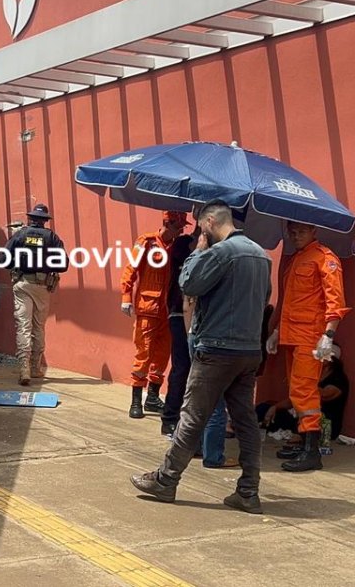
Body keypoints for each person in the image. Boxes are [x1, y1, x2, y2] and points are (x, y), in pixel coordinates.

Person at [131, 200, 272, 514]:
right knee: (246, 421)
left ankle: (166, 480)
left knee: (192, 415)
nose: (197, 232)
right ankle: (248, 491)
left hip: (217, 349)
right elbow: (264, 299)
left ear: (210, 221)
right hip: (248, 351)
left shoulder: (220, 252)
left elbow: (187, 283)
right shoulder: (261, 256)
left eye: (200, 226)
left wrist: (198, 250)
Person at [265, 221, 350, 472]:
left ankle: (312, 451)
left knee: (305, 392)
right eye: (292, 232)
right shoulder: (296, 260)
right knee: (295, 390)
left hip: (310, 337)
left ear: (315, 231)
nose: (296, 236)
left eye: (301, 231)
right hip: (292, 335)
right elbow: (291, 302)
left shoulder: (325, 258)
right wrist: (277, 331)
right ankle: (303, 441)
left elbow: (335, 299)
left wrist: (328, 335)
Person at [160, 218, 238, 469]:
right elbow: (188, 297)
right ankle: (209, 453)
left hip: (199, 330)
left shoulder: (213, 258)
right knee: (209, 396)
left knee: (197, 392)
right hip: (200, 331)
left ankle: (191, 445)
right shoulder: (189, 249)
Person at [121, 210, 185, 418]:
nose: (181, 229)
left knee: (162, 356)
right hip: (148, 308)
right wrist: (126, 297)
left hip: (167, 310)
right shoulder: (147, 242)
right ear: (168, 222)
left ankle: (152, 397)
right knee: (143, 354)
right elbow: (130, 269)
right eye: (179, 225)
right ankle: (136, 401)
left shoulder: (177, 247)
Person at [6, 204, 68, 385]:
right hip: (42, 286)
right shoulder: (52, 238)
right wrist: (47, 267)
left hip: (22, 284)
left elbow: (3, 259)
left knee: (23, 326)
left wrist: (17, 261)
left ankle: (23, 368)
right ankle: (35, 367)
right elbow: (63, 264)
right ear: (45, 221)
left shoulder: (20, 235)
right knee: (38, 327)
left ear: (31, 219)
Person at [257, 344, 349, 441]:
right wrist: (275, 407)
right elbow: (297, 398)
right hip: (301, 417)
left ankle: (302, 437)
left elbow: (325, 394)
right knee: (263, 409)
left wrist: (305, 383)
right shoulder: (316, 374)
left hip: (323, 423)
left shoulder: (338, 378)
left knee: (307, 424)